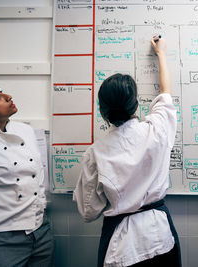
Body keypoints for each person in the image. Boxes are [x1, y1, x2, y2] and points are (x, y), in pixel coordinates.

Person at [73, 36, 181, 267]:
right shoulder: (157, 129)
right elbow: (166, 94)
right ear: (136, 105)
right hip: (160, 233)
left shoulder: (95, 152)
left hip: (120, 243)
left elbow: (88, 211)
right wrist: (161, 53)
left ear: (103, 111)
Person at [0, 82, 54, 266]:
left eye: (0, 92)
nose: (8, 96)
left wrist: (41, 207)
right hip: (2, 237)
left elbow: (38, 175)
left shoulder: (25, 130)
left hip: (40, 231)